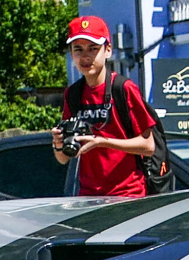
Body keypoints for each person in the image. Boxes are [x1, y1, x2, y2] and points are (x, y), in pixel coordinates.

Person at [52, 16, 160, 198]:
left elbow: (148, 146)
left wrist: (101, 142)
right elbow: (63, 158)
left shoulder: (124, 89)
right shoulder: (73, 93)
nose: (85, 56)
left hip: (128, 196)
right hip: (88, 197)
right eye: (78, 49)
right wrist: (58, 143)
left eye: (93, 49)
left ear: (108, 50)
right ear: (71, 54)